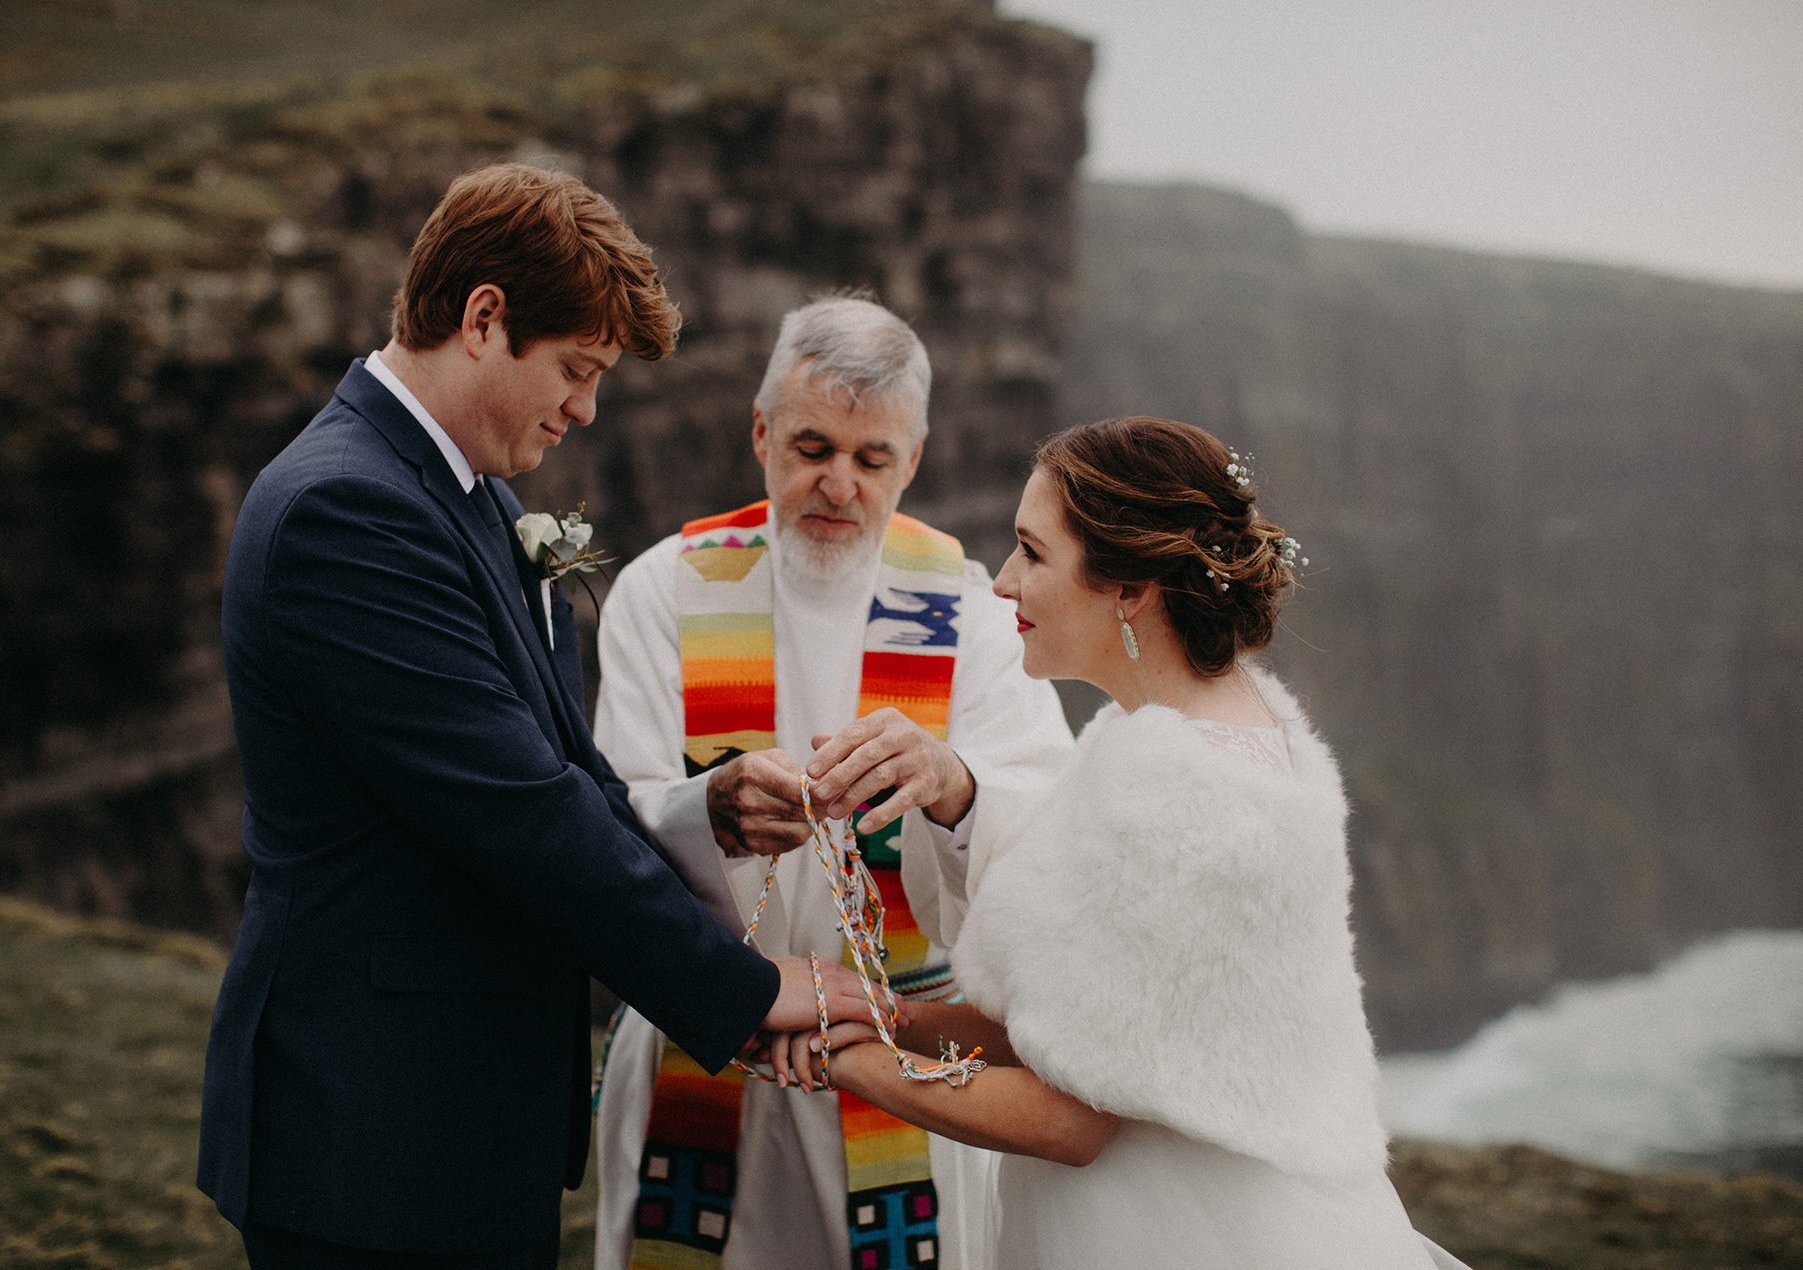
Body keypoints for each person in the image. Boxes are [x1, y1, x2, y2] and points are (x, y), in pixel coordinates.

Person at [196, 163, 867, 1270]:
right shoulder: (345, 510)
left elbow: (563, 766)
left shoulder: (467, 493)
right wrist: (742, 987)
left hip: (449, 1120)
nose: (585, 408)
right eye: (576, 369)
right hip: (368, 1128)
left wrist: (704, 810)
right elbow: (516, 809)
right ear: (483, 317)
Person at [776, 416, 1472, 1269]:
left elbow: (1072, 1118)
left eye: (1032, 553)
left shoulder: (1180, 789)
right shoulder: (1209, 732)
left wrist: (843, 1058)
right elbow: (1078, 1020)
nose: (1001, 584)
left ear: (1129, 588)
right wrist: (879, 1010)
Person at [591, 295, 1075, 1270]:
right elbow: (600, 821)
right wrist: (710, 810)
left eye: (871, 458)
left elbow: (1056, 834)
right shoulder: (664, 591)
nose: (838, 485)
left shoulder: (975, 617)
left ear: (917, 456)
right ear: (761, 430)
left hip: (901, 1053)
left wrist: (953, 782)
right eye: (812, 446)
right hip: (708, 1040)